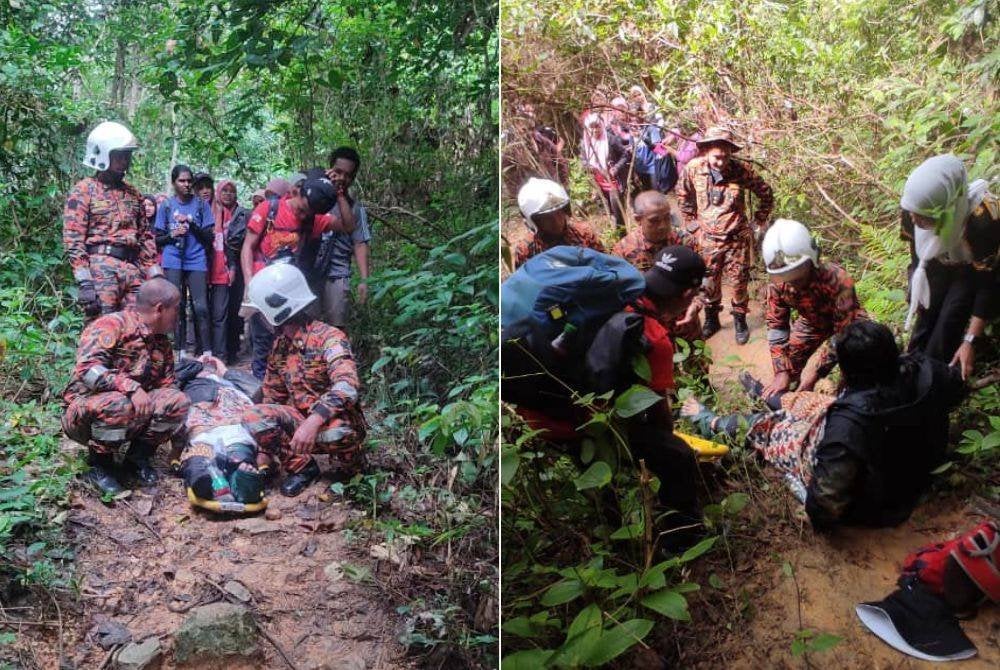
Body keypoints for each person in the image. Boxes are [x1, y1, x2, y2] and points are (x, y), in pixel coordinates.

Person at [503, 245, 709, 548]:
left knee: (600, 479)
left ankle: (610, 532)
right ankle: (681, 541)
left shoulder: (606, 294)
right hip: (577, 422)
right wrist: (667, 448)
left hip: (537, 411)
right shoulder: (652, 336)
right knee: (677, 458)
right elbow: (658, 414)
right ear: (687, 296)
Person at [681, 320, 964, 530]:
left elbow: (827, 501)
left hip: (879, 494)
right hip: (902, 452)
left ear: (849, 371)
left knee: (771, 427)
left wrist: (809, 504)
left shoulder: (847, 426)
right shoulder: (928, 371)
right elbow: (958, 389)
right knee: (810, 403)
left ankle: (711, 420)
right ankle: (773, 396)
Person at [241, 264, 367, 497]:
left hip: (332, 421)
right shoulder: (279, 346)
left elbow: (348, 386)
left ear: (275, 310)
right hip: (301, 422)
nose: (261, 321)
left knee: (340, 432)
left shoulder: (329, 337)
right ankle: (303, 467)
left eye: (261, 314)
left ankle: (351, 467)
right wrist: (264, 451)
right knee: (253, 417)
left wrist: (314, 421)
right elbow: (272, 398)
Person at [62, 278, 190, 495]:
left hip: (129, 415)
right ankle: (100, 465)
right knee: (118, 402)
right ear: (160, 309)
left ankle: (136, 459)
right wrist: (130, 387)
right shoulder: (113, 325)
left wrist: (180, 437)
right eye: (176, 310)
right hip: (85, 414)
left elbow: (167, 387)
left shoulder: (161, 343)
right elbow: (87, 369)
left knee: (177, 401)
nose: (178, 316)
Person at [240, 173, 355, 379]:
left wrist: (340, 195)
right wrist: (249, 284)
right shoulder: (269, 209)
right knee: (263, 342)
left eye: (308, 214)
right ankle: (260, 391)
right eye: (302, 210)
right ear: (295, 192)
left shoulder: (314, 219)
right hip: (262, 284)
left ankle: (283, 391)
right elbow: (247, 247)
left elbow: (347, 226)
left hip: (290, 291)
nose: (303, 217)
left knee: (287, 342)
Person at [900, 154, 998, 381]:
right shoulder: (912, 208)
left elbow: (988, 282)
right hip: (936, 264)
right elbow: (917, 256)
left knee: (949, 321)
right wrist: (915, 288)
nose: (914, 220)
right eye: (913, 214)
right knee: (924, 323)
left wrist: (970, 341)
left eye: (924, 217)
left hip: (973, 269)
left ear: (951, 208)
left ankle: (936, 380)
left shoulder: (981, 220)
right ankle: (909, 376)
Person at [676, 126, 774, 344]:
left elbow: (765, 192)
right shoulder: (693, 168)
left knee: (739, 281)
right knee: (709, 280)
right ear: (707, 151)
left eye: (726, 157)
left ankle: (740, 319)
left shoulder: (741, 171)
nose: (721, 162)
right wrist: (691, 223)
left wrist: (757, 220)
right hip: (708, 238)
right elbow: (682, 193)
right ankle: (712, 319)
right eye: (717, 157)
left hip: (736, 239)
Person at [63, 122, 162, 319]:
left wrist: (156, 276)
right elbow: (73, 239)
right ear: (102, 154)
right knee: (102, 331)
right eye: (119, 155)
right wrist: (84, 281)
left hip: (133, 271)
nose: (124, 160)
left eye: (127, 155)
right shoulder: (84, 190)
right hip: (101, 269)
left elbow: (145, 237)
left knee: (138, 329)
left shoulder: (133, 194)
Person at [761, 219, 868, 398]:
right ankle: (789, 402)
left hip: (847, 325)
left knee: (854, 367)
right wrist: (782, 372)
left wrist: (817, 373)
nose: (793, 284)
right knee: (789, 367)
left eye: (797, 276)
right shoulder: (777, 283)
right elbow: (776, 326)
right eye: (787, 277)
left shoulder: (839, 280)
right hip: (811, 322)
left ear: (812, 260)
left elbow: (843, 334)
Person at [170, 355, 267, 511]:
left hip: (235, 417)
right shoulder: (187, 382)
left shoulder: (232, 383)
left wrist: (223, 369)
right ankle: (205, 477)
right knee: (201, 448)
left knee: (237, 446)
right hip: (201, 419)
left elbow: (256, 388)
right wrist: (197, 364)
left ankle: (241, 478)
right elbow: (175, 377)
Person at [611, 191, 701, 342]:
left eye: (667, 218)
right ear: (638, 219)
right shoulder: (623, 251)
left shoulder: (684, 241)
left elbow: (702, 276)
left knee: (696, 363)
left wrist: (696, 303)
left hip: (685, 321)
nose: (663, 226)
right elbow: (620, 293)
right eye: (654, 221)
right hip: (650, 328)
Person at [154, 164, 215, 360]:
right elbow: (157, 239)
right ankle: (180, 352)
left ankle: (206, 352)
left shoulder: (201, 205)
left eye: (189, 181)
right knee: (176, 306)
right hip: (173, 259)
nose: (186, 184)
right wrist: (173, 235)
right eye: (182, 180)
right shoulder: (166, 206)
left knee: (201, 307)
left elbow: (208, 238)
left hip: (196, 259)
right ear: (174, 183)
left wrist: (191, 225)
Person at [315, 147, 371, 328]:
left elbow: (360, 243)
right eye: (337, 172)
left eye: (347, 175)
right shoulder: (313, 196)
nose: (341, 178)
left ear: (353, 179)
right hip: (310, 272)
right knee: (307, 329)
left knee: (337, 330)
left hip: (338, 275)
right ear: (329, 169)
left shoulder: (355, 209)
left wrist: (364, 280)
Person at [512, 178, 605, 268]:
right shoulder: (527, 250)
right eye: (547, 218)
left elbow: (604, 265)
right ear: (535, 222)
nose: (556, 221)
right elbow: (524, 281)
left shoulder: (584, 234)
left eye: (559, 213)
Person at [209, 180, 251, 363]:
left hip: (239, 265)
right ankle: (218, 350)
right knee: (218, 310)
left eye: (231, 191)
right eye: (224, 191)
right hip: (216, 266)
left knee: (235, 309)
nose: (227, 194)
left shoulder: (244, 214)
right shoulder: (212, 212)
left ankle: (233, 351)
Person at [580, 113, 626, 232]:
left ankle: (622, 233)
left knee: (617, 208)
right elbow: (583, 159)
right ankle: (613, 233)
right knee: (607, 209)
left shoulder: (611, 139)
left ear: (602, 126)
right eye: (592, 127)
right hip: (598, 180)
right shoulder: (585, 143)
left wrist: (615, 168)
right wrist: (587, 166)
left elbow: (625, 155)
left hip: (613, 180)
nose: (595, 130)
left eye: (597, 126)